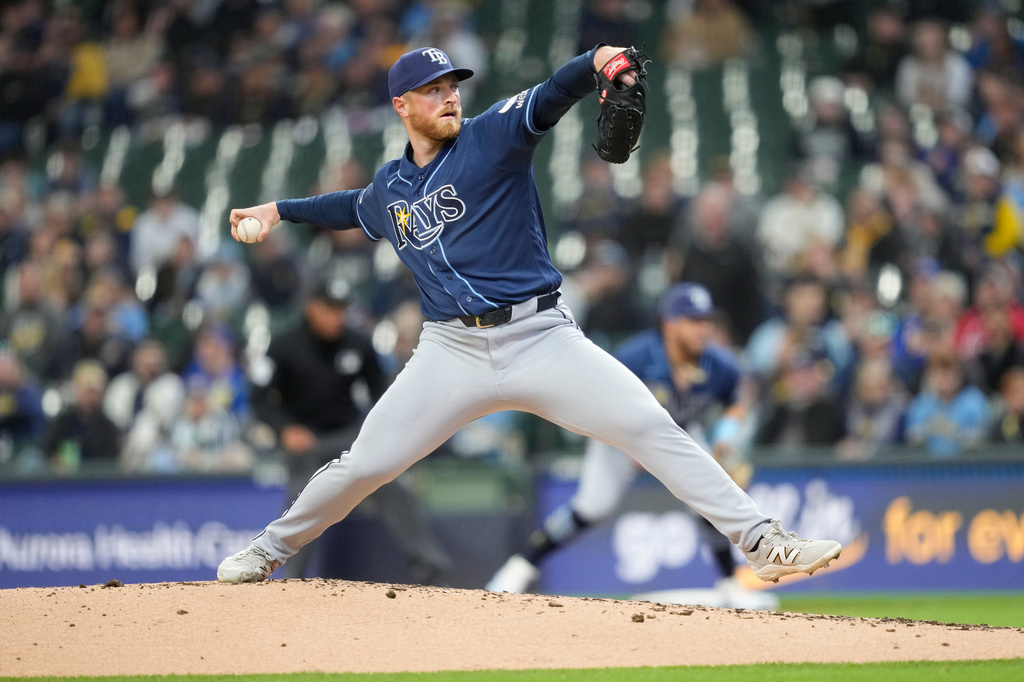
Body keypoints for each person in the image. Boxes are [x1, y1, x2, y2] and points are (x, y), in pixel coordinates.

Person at [216, 44, 842, 585]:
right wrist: (278, 210)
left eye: (451, 86)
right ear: (401, 106)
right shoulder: (391, 190)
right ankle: (269, 550)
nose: (447, 97)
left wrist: (602, 61)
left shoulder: (492, 136)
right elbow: (347, 206)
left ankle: (765, 544)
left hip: (540, 336)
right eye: (430, 91)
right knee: (365, 465)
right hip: (449, 352)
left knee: (651, 428)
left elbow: (555, 91)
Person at [486, 283, 778, 610]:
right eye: (694, 321)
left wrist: (724, 436)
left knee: (707, 500)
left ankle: (728, 584)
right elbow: (596, 400)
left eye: (706, 320)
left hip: (677, 432)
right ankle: (520, 567)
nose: (703, 329)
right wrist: (631, 445)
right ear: (670, 324)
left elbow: (736, 400)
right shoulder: (637, 356)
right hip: (619, 434)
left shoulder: (716, 364)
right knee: (591, 507)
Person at [248, 276, 452, 584]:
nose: (335, 317)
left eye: (341, 309)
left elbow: (381, 392)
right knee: (302, 498)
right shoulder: (284, 344)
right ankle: (291, 577)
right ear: (311, 307)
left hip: (348, 437)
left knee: (393, 484)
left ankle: (429, 565)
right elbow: (259, 398)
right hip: (307, 441)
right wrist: (285, 429)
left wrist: (382, 433)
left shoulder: (356, 343)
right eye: (329, 308)